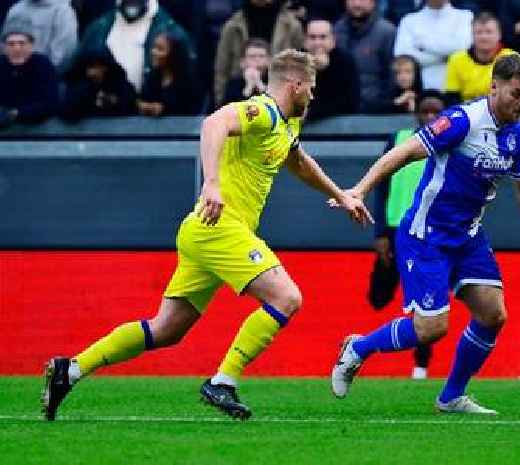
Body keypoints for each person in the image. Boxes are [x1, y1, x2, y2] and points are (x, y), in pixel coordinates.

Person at [41, 49, 372, 422]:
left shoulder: (286, 125)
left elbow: (296, 160)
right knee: (287, 296)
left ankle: (69, 371)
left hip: (206, 232)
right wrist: (211, 182)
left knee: (166, 329)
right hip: (220, 225)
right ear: (294, 85)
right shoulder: (260, 111)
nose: (313, 96)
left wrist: (340, 195)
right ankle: (223, 381)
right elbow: (213, 123)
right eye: (310, 88)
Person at [331, 53, 520, 414]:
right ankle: (358, 349)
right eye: (516, 93)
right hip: (426, 236)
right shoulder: (460, 121)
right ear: (493, 87)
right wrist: (359, 189)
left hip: (468, 236)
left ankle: (451, 397)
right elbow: (403, 153)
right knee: (431, 329)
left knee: (493, 315)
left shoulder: (519, 136)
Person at [369, 89, 446, 380]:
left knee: (424, 300)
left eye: (435, 112)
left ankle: (420, 365)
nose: (429, 117)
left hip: (428, 233)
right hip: (394, 229)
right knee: (378, 296)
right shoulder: (400, 140)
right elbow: (383, 185)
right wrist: (380, 233)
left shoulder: (449, 146)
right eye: (425, 112)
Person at [213, 0, 304, 106]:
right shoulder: (232, 26)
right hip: (237, 96)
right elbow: (222, 69)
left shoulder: (292, 26)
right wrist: (220, 104)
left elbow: (300, 68)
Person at [393, 0, 473, 90]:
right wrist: (447, 56)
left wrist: (423, 45)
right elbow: (402, 56)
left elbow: (465, 46)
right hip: (419, 91)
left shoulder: (466, 17)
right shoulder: (408, 21)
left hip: (459, 89)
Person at [334, 0, 397, 113]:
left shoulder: (387, 32)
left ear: (373, 3)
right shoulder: (336, 30)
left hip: (375, 108)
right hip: (340, 108)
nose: (357, 4)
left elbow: (391, 75)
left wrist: (382, 103)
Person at [443, 12, 515, 104]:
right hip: (467, 111)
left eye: (489, 32)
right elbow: (452, 96)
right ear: (472, 34)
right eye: (479, 32)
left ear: (499, 35)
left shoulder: (512, 59)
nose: (484, 37)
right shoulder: (456, 59)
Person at [0, 18, 59, 127]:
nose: (17, 48)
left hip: (40, 129)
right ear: (3, 47)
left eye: (22, 43)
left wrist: (16, 113)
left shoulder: (43, 65)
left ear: (31, 45)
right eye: (11, 44)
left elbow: (50, 103)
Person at [304, 17, 359, 120]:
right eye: (312, 37)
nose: (317, 43)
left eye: (323, 37)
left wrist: (324, 71)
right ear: (305, 41)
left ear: (333, 40)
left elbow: (349, 102)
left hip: (339, 128)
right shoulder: (294, 62)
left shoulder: (345, 62)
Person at [61, 47, 138, 119]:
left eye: (98, 66)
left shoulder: (119, 83)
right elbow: (68, 110)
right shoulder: (76, 84)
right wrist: (89, 98)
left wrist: (112, 101)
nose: (92, 72)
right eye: (90, 67)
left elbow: (131, 105)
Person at [2, 0, 78, 73]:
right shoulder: (17, 9)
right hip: (13, 74)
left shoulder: (63, 12)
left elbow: (63, 55)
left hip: (47, 77)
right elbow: (4, 46)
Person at [138, 32, 202, 116]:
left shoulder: (188, 80)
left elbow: (189, 110)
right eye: (154, 47)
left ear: (173, 53)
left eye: (160, 49)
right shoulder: (153, 76)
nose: (153, 52)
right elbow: (142, 100)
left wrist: (163, 110)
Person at [222, 38, 270, 106]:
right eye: (252, 56)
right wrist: (248, 88)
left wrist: (260, 86)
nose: (257, 60)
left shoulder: (275, 81)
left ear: (269, 61)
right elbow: (227, 110)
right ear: (242, 62)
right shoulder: (234, 83)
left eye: (261, 56)